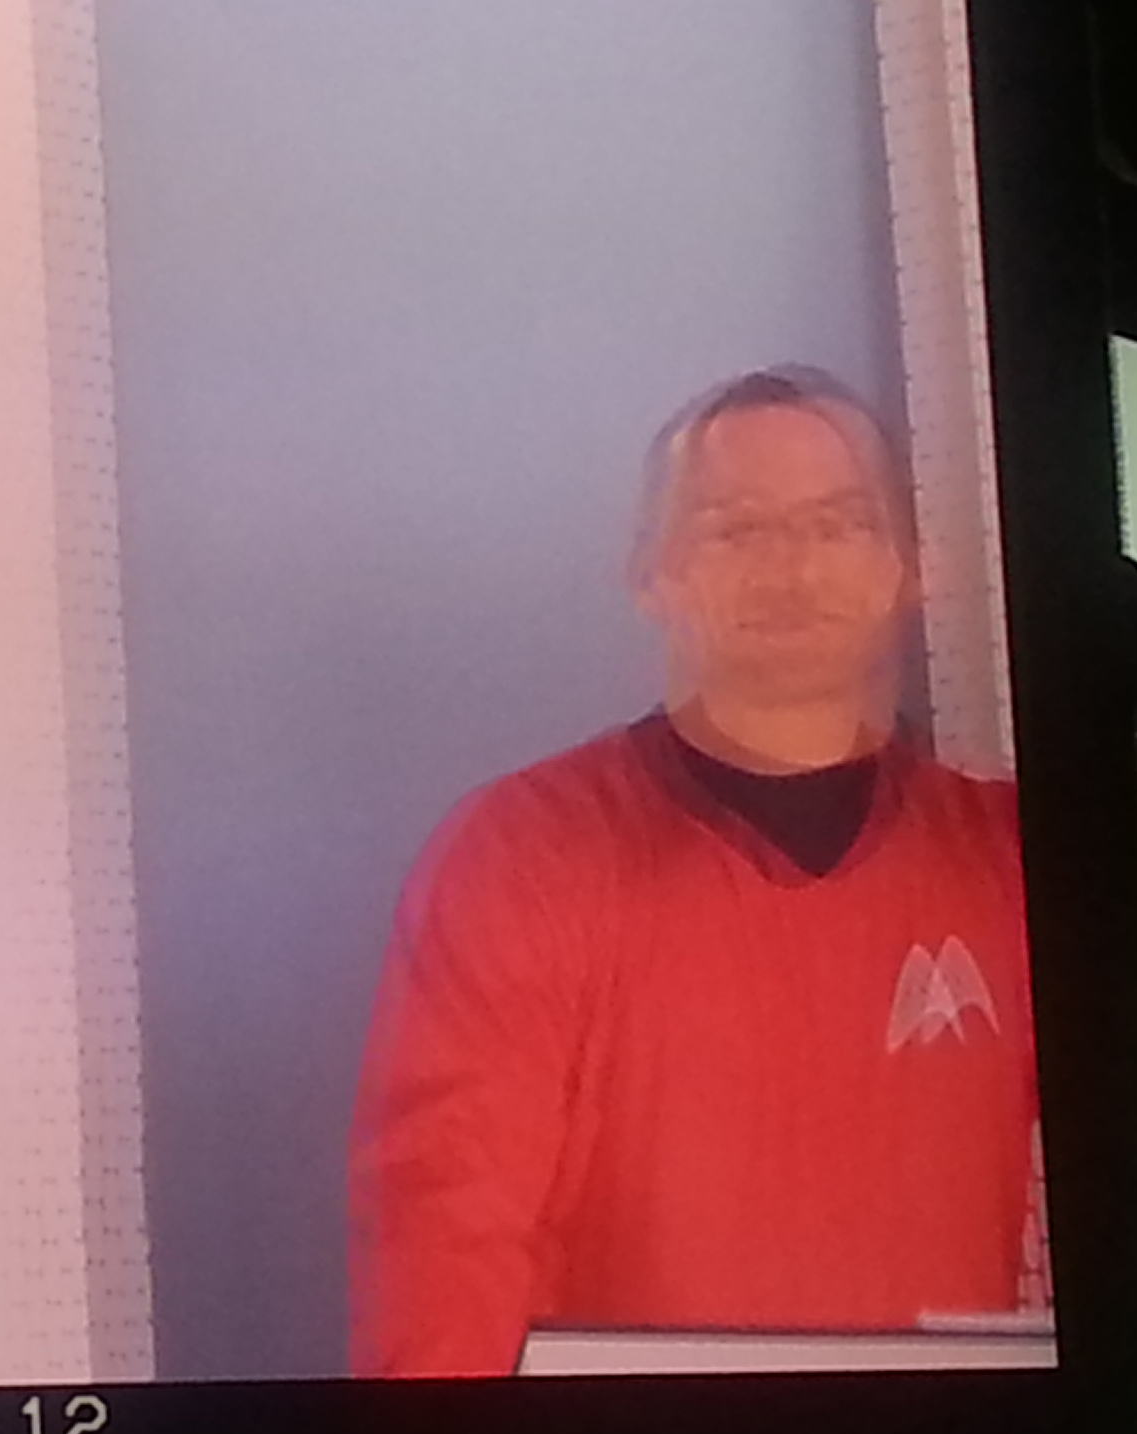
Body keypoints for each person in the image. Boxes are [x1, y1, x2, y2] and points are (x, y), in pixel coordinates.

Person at [348, 366, 1046, 1378]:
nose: (791, 565)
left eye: (838, 522)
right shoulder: (520, 855)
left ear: (912, 567)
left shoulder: (1009, 856)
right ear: (651, 575)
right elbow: (443, 1252)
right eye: (736, 529)